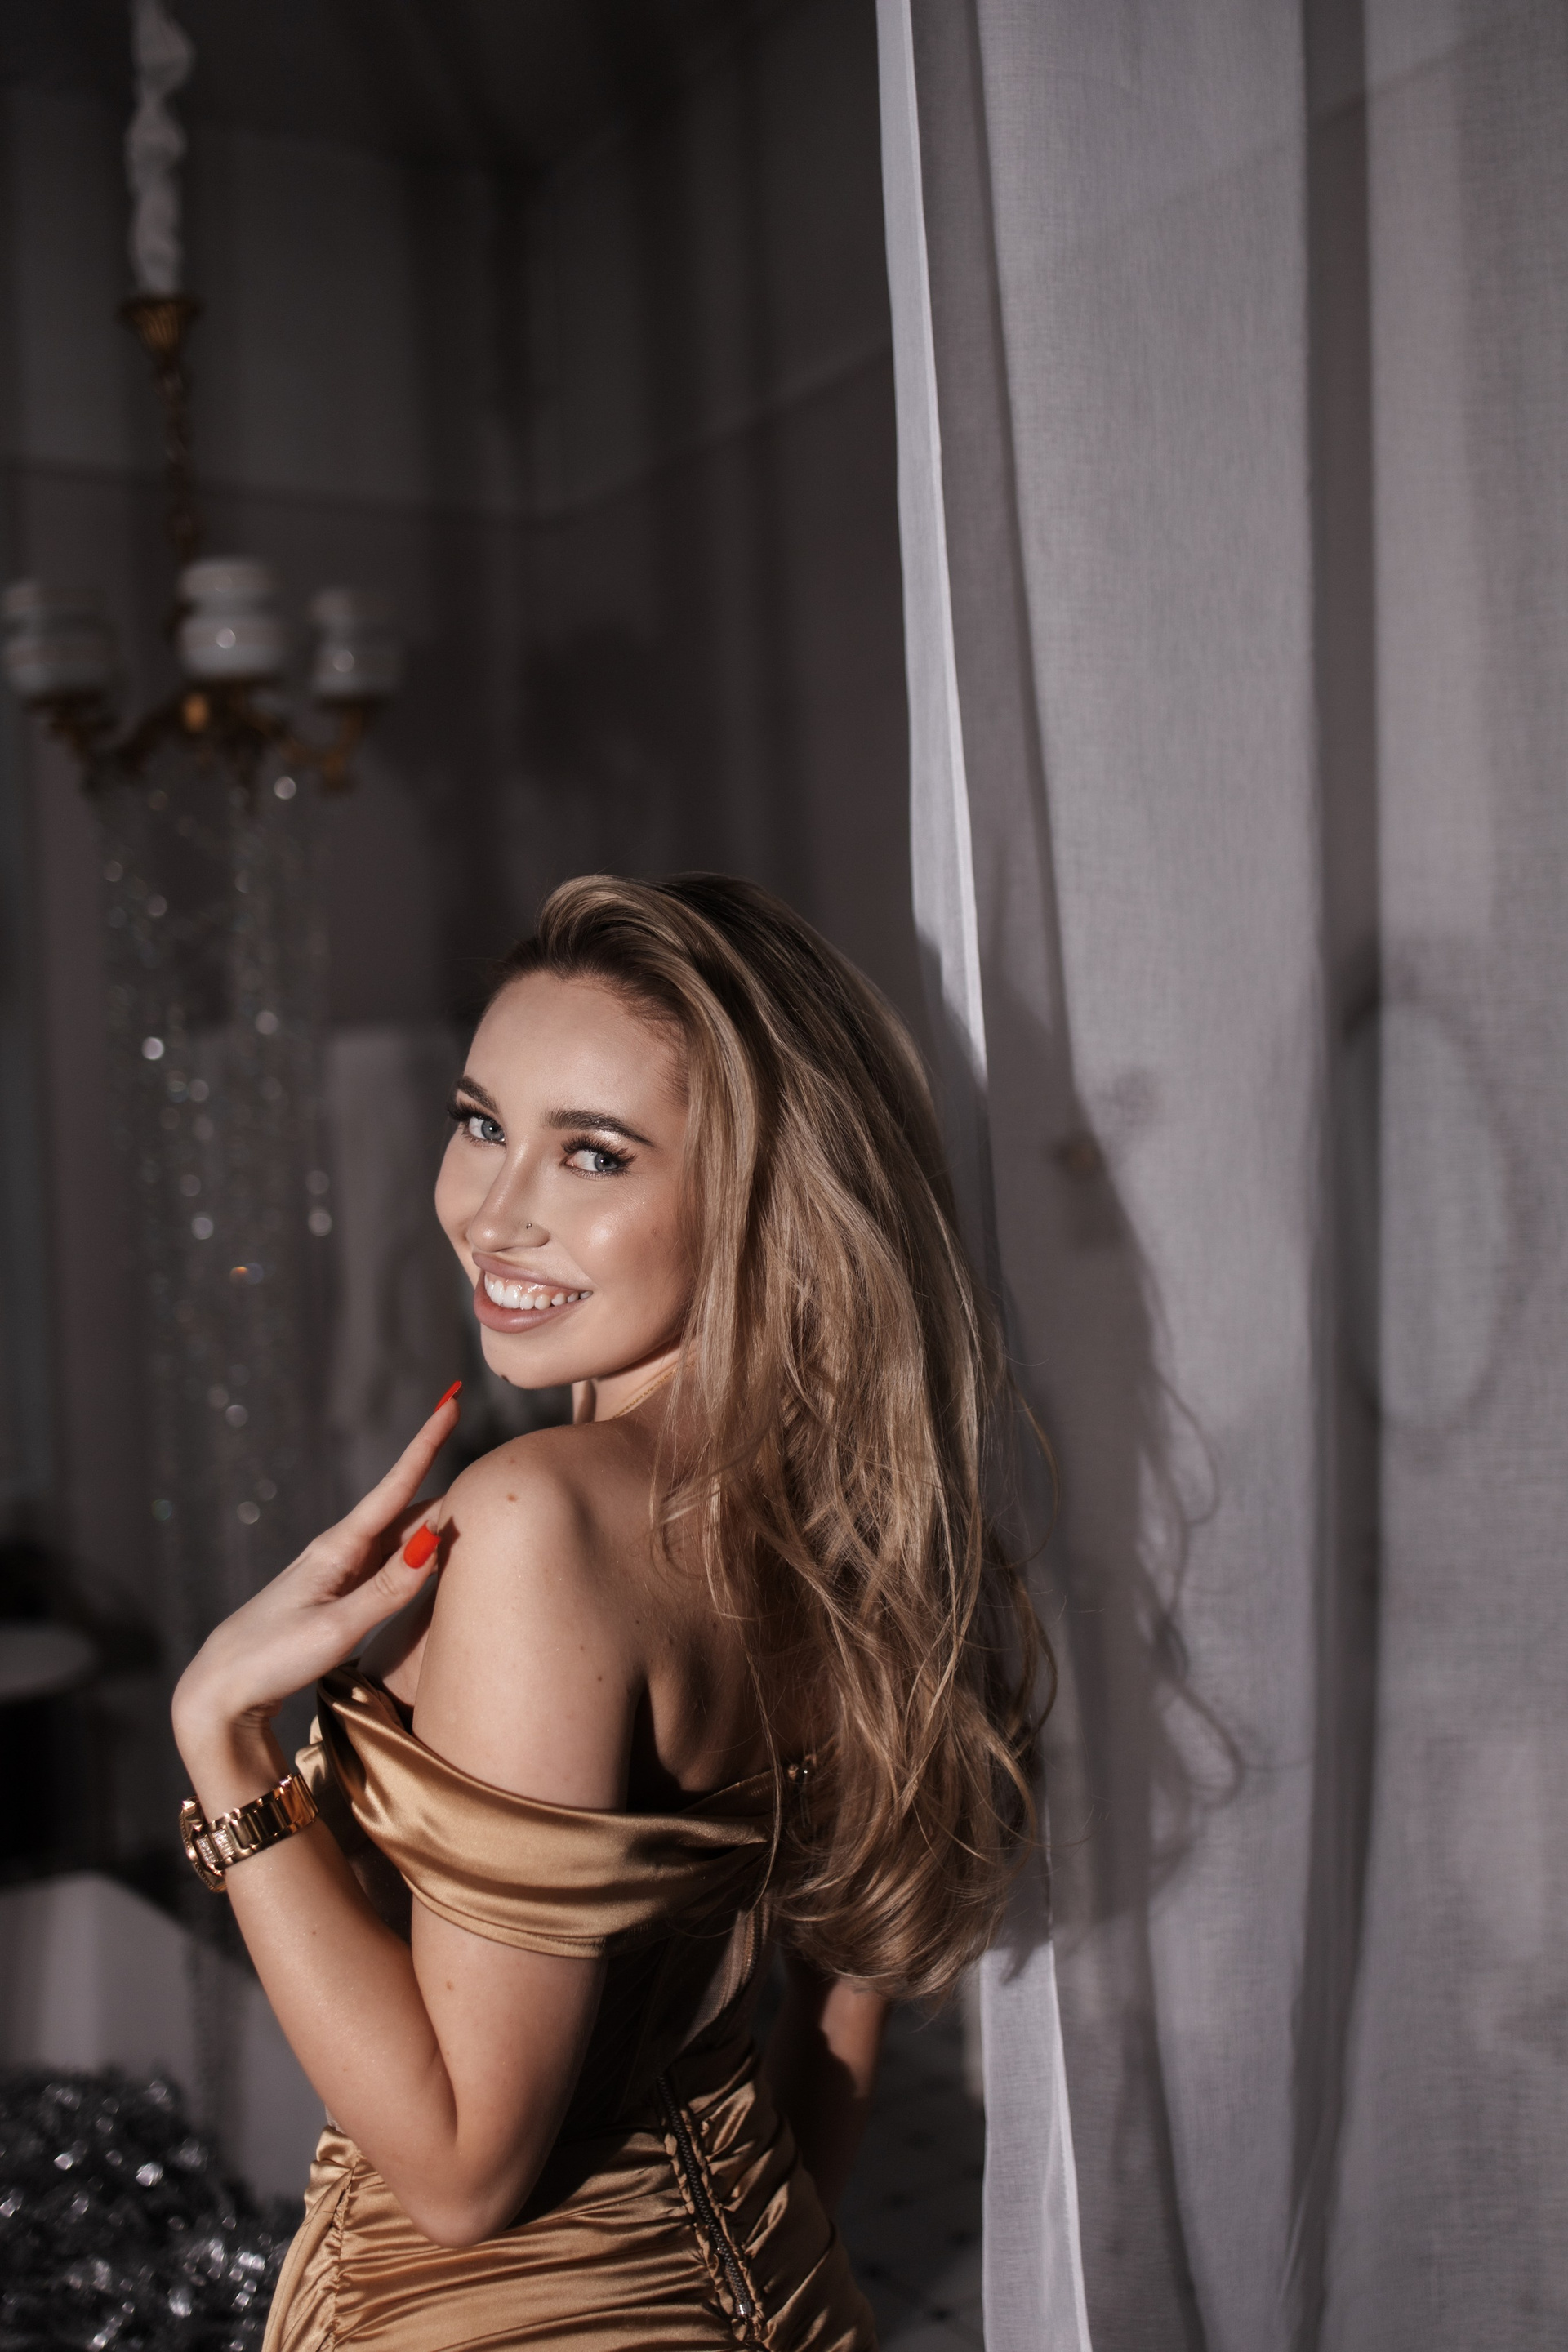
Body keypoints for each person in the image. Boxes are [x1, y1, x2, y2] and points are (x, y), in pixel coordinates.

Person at [172, 874, 1041, 2352]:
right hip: (775, 2293)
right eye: (480, 1124)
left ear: (765, 1201)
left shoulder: (543, 1520)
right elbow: (837, 2019)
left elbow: (461, 2173)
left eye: (592, 1154)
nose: (493, 1213)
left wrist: (225, 1746)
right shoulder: (846, 1529)